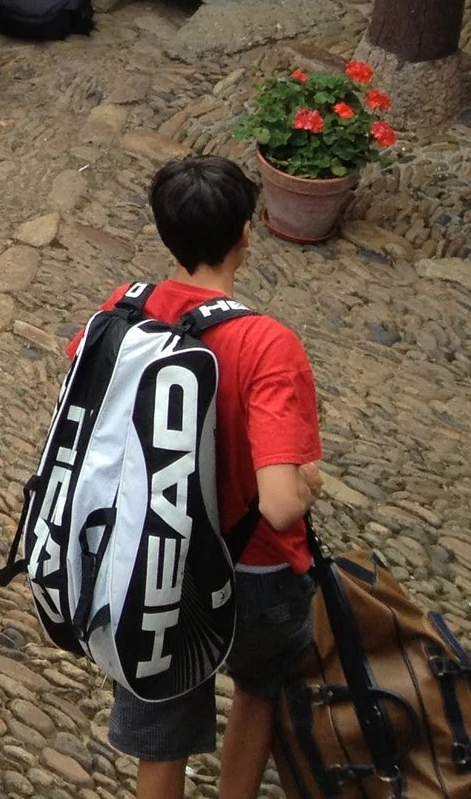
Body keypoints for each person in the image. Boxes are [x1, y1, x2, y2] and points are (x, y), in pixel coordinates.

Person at [86, 157, 324, 799]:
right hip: (255, 571)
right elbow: (280, 505)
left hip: (152, 557)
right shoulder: (267, 345)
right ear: (246, 233)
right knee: (260, 686)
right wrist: (310, 481)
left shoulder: (126, 308)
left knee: (162, 724)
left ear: (167, 233)